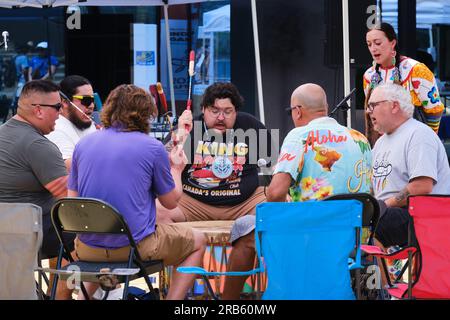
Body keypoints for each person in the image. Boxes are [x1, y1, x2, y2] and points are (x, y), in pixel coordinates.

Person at [222, 83, 372, 299]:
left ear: (298, 110)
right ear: (325, 106)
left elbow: (275, 193)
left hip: (310, 235)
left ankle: (229, 304)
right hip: (354, 238)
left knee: (244, 227)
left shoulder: (299, 135)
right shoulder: (360, 138)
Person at [68, 84, 206, 300]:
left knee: (104, 247)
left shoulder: (83, 144)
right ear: (146, 114)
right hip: (133, 248)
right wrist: (177, 170)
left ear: (109, 109)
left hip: (87, 248)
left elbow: (72, 201)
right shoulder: (152, 147)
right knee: (198, 241)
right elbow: (170, 203)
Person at [156, 82, 272, 223]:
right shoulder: (188, 127)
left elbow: (274, 166)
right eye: (214, 111)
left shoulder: (251, 126)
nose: (221, 117)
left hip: (244, 205)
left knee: (279, 206)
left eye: (227, 111)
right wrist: (179, 134)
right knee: (158, 211)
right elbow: (162, 162)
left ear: (236, 111)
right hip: (193, 204)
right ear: (203, 109)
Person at [0, 80, 74, 299]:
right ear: (39, 110)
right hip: (31, 232)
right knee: (92, 236)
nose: (60, 115)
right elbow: (69, 200)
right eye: (58, 108)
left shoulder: (4, 133)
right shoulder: (38, 145)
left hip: (8, 232)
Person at [367, 83, 450, 251]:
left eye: (373, 105)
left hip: (422, 215)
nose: (369, 111)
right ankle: (374, 277)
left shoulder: (418, 134)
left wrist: (382, 207)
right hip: (396, 213)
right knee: (352, 223)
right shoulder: (381, 142)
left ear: (394, 106)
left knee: (368, 228)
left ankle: (382, 278)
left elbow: (422, 186)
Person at [364, 22, 444, 146]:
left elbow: (434, 110)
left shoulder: (416, 70)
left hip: (414, 142)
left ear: (392, 43)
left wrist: (429, 140)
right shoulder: (369, 76)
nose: (373, 48)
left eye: (378, 43)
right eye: (369, 44)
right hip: (383, 144)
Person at [46, 75, 97, 172]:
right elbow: (69, 167)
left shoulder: (88, 124)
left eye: (92, 99)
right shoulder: (56, 129)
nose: (91, 106)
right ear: (65, 102)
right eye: (86, 100)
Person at [9, 44, 30, 121]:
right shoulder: (23, 58)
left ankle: (15, 115)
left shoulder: (14, 57)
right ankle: (19, 117)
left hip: (16, 80)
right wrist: (27, 80)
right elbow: (24, 70)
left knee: (15, 99)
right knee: (20, 99)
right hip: (22, 80)